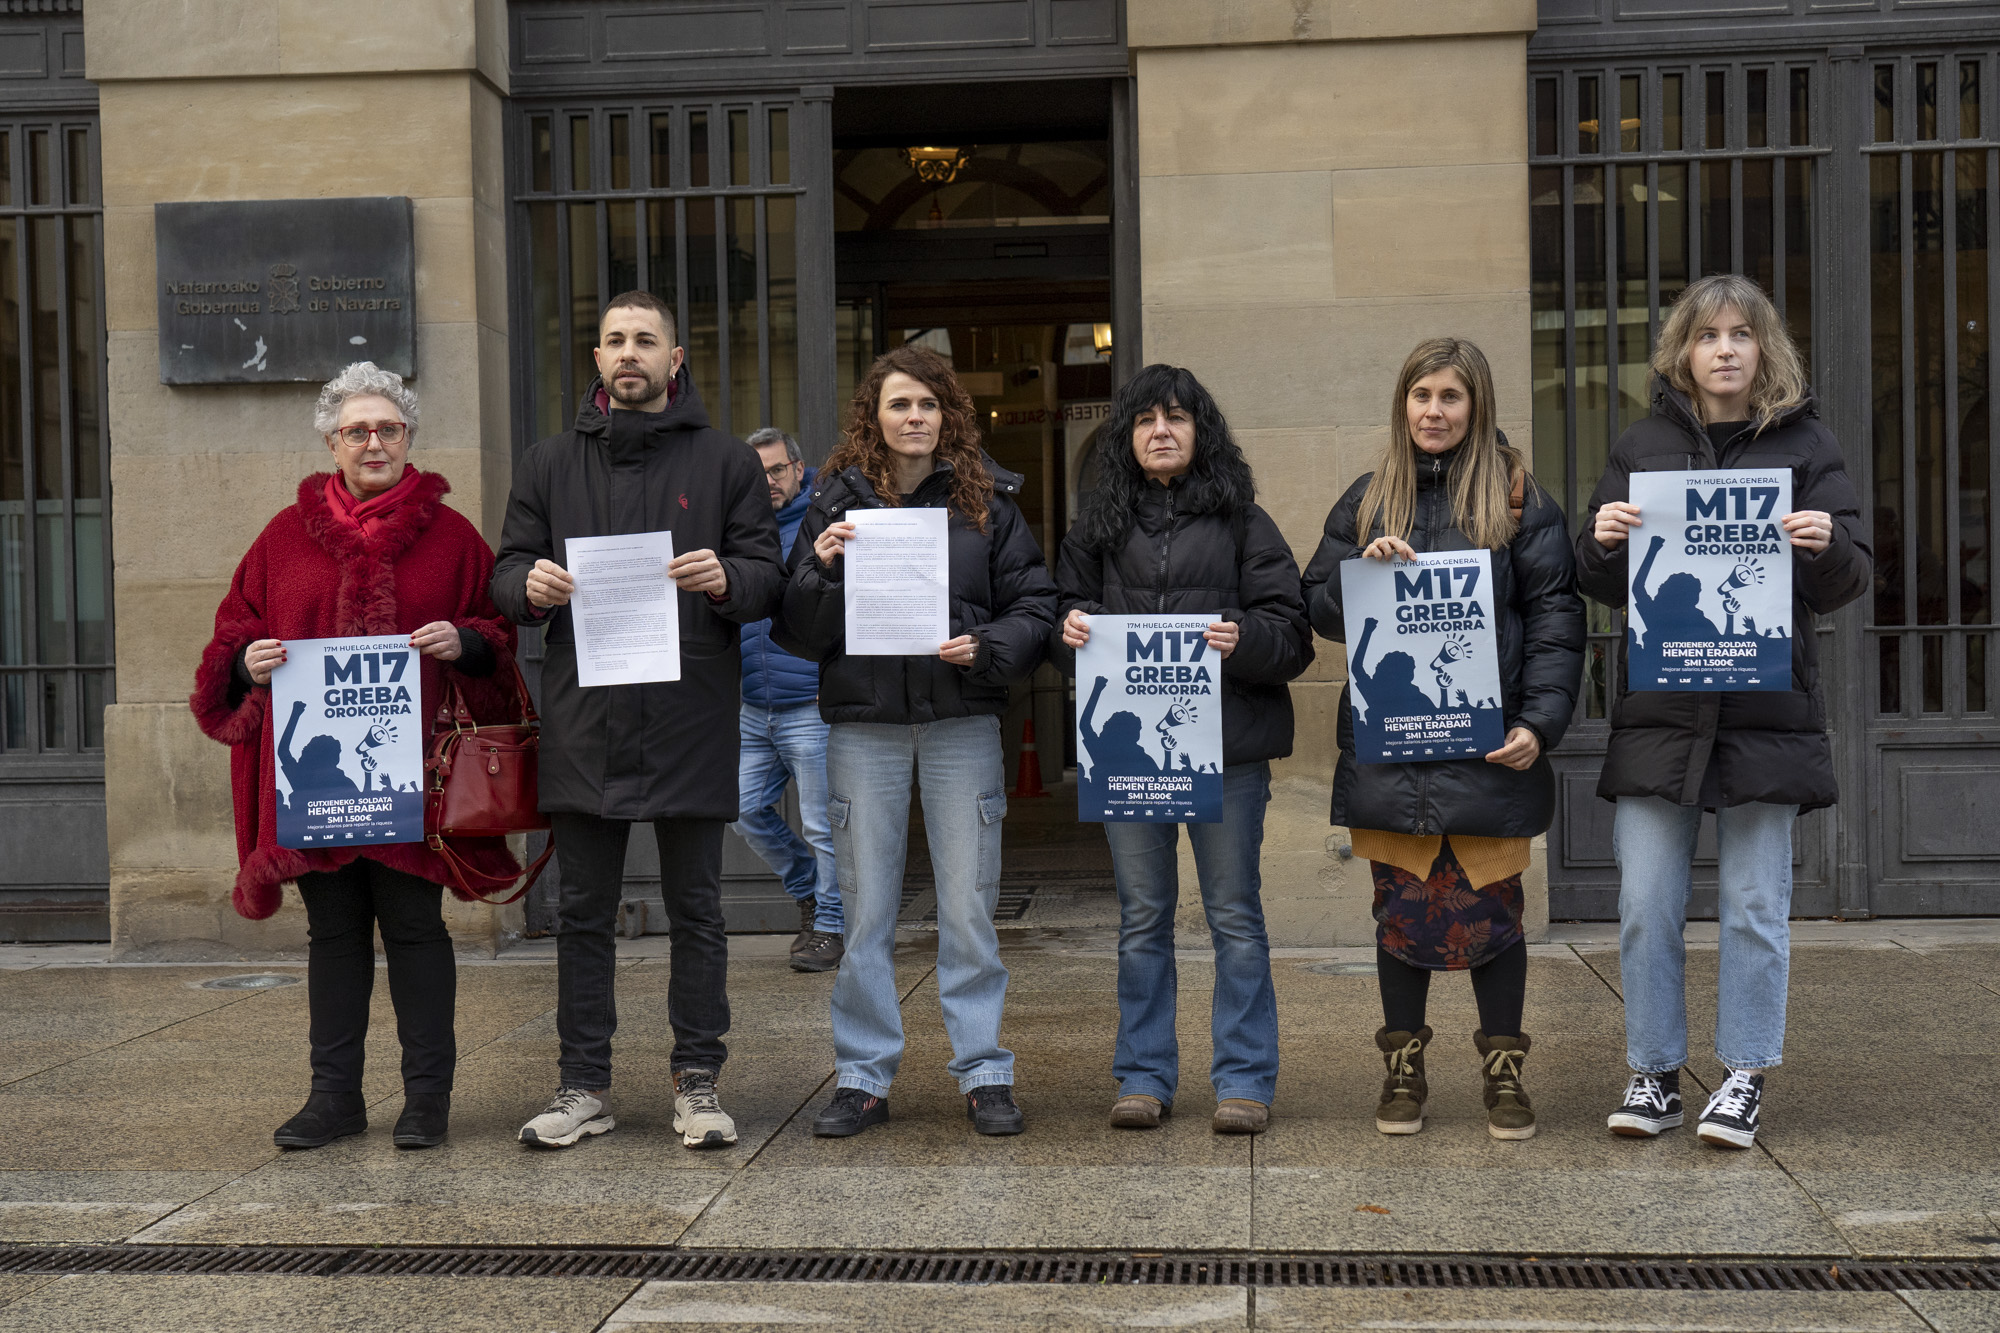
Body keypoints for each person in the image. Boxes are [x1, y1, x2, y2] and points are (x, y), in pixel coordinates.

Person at [190, 362, 519, 1152]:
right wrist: (247, 664)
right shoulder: (280, 537)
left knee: (415, 930)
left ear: (409, 438)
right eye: (357, 430)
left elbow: (499, 642)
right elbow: (231, 635)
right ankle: (334, 1096)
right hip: (319, 789)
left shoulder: (454, 538)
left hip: (417, 782)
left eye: (389, 428)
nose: (374, 442)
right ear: (332, 443)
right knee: (332, 936)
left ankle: (427, 1099)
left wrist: (465, 641)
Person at [1577, 273, 1869, 1148]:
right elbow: (1593, 580)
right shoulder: (1639, 444)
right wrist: (1601, 540)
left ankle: (1742, 1074)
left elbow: (1851, 577)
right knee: (1646, 902)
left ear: (1764, 348)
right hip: (1661, 714)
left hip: (1764, 713)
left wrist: (1828, 544)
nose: (1727, 349)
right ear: (1684, 352)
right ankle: (1656, 1072)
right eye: (1709, 336)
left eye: (1742, 333)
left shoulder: (1807, 447)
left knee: (1751, 902)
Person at [491, 291, 786, 1151]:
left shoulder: (727, 462)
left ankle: (698, 1080)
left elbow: (768, 576)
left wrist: (725, 578)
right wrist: (529, 588)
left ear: (675, 357)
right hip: (586, 715)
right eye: (616, 340)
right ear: (596, 358)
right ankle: (583, 1084)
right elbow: (505, 569)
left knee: (697, 907)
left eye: (645, 340)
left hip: (689, 711)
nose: (630, 353)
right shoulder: (548, 463)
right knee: (583, 910)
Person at [1302, 337, 1584, 1141]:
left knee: (1494, 916)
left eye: (1450, 396)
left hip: (1487, 750)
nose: (1433, 410)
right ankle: (1403, 1069)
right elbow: (1315, 609)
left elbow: (1559, 620)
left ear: (1477, 405)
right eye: (1420, 394)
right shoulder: (1368, 498)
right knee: (1400, 915)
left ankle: (1504, 1074)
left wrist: (1540, 723)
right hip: (1392, 748)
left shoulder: (1522, 499)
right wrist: (1362, 566)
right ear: (1402, 403)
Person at [779, 343, 1057, 1139]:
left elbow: (1034, 605)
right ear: (874, 414)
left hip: (961, 724)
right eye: (899, 403)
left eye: (928, 404)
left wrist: (987, 645)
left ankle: (985, 1071)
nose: (914, 417)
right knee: (865, 907)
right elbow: (796, 634)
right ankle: (863, 1076)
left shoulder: (988, 502)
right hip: (864, 730)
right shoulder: (833, 504)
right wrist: (821, 570)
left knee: (968, 906)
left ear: (948, 415)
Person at [1052, 364, 1314, 1135]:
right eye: (1143, 420)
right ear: (1125, 438)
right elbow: (1060, 613)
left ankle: (1244, 1079)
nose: (1160, 431)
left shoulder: (1244, 522)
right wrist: (1067, 629)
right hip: (1132, 762)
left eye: (1176, 418)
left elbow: (1292, 634)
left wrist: (1244, 638)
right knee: (1143, 917)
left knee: (1234, 914)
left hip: (1226, 755)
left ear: (1203, 433)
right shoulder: (1096, 526)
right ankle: (1143, 1075)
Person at [731, 426, 844, 973]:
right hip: (754, 705)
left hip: (809, 705)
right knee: (741, 808)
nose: (769, 481)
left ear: (799, 468)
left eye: (777, 470)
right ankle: (809, 892)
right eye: (759, 473)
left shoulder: (823, 520)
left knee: (823, 825)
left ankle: (830, 925)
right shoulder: (738, 525)